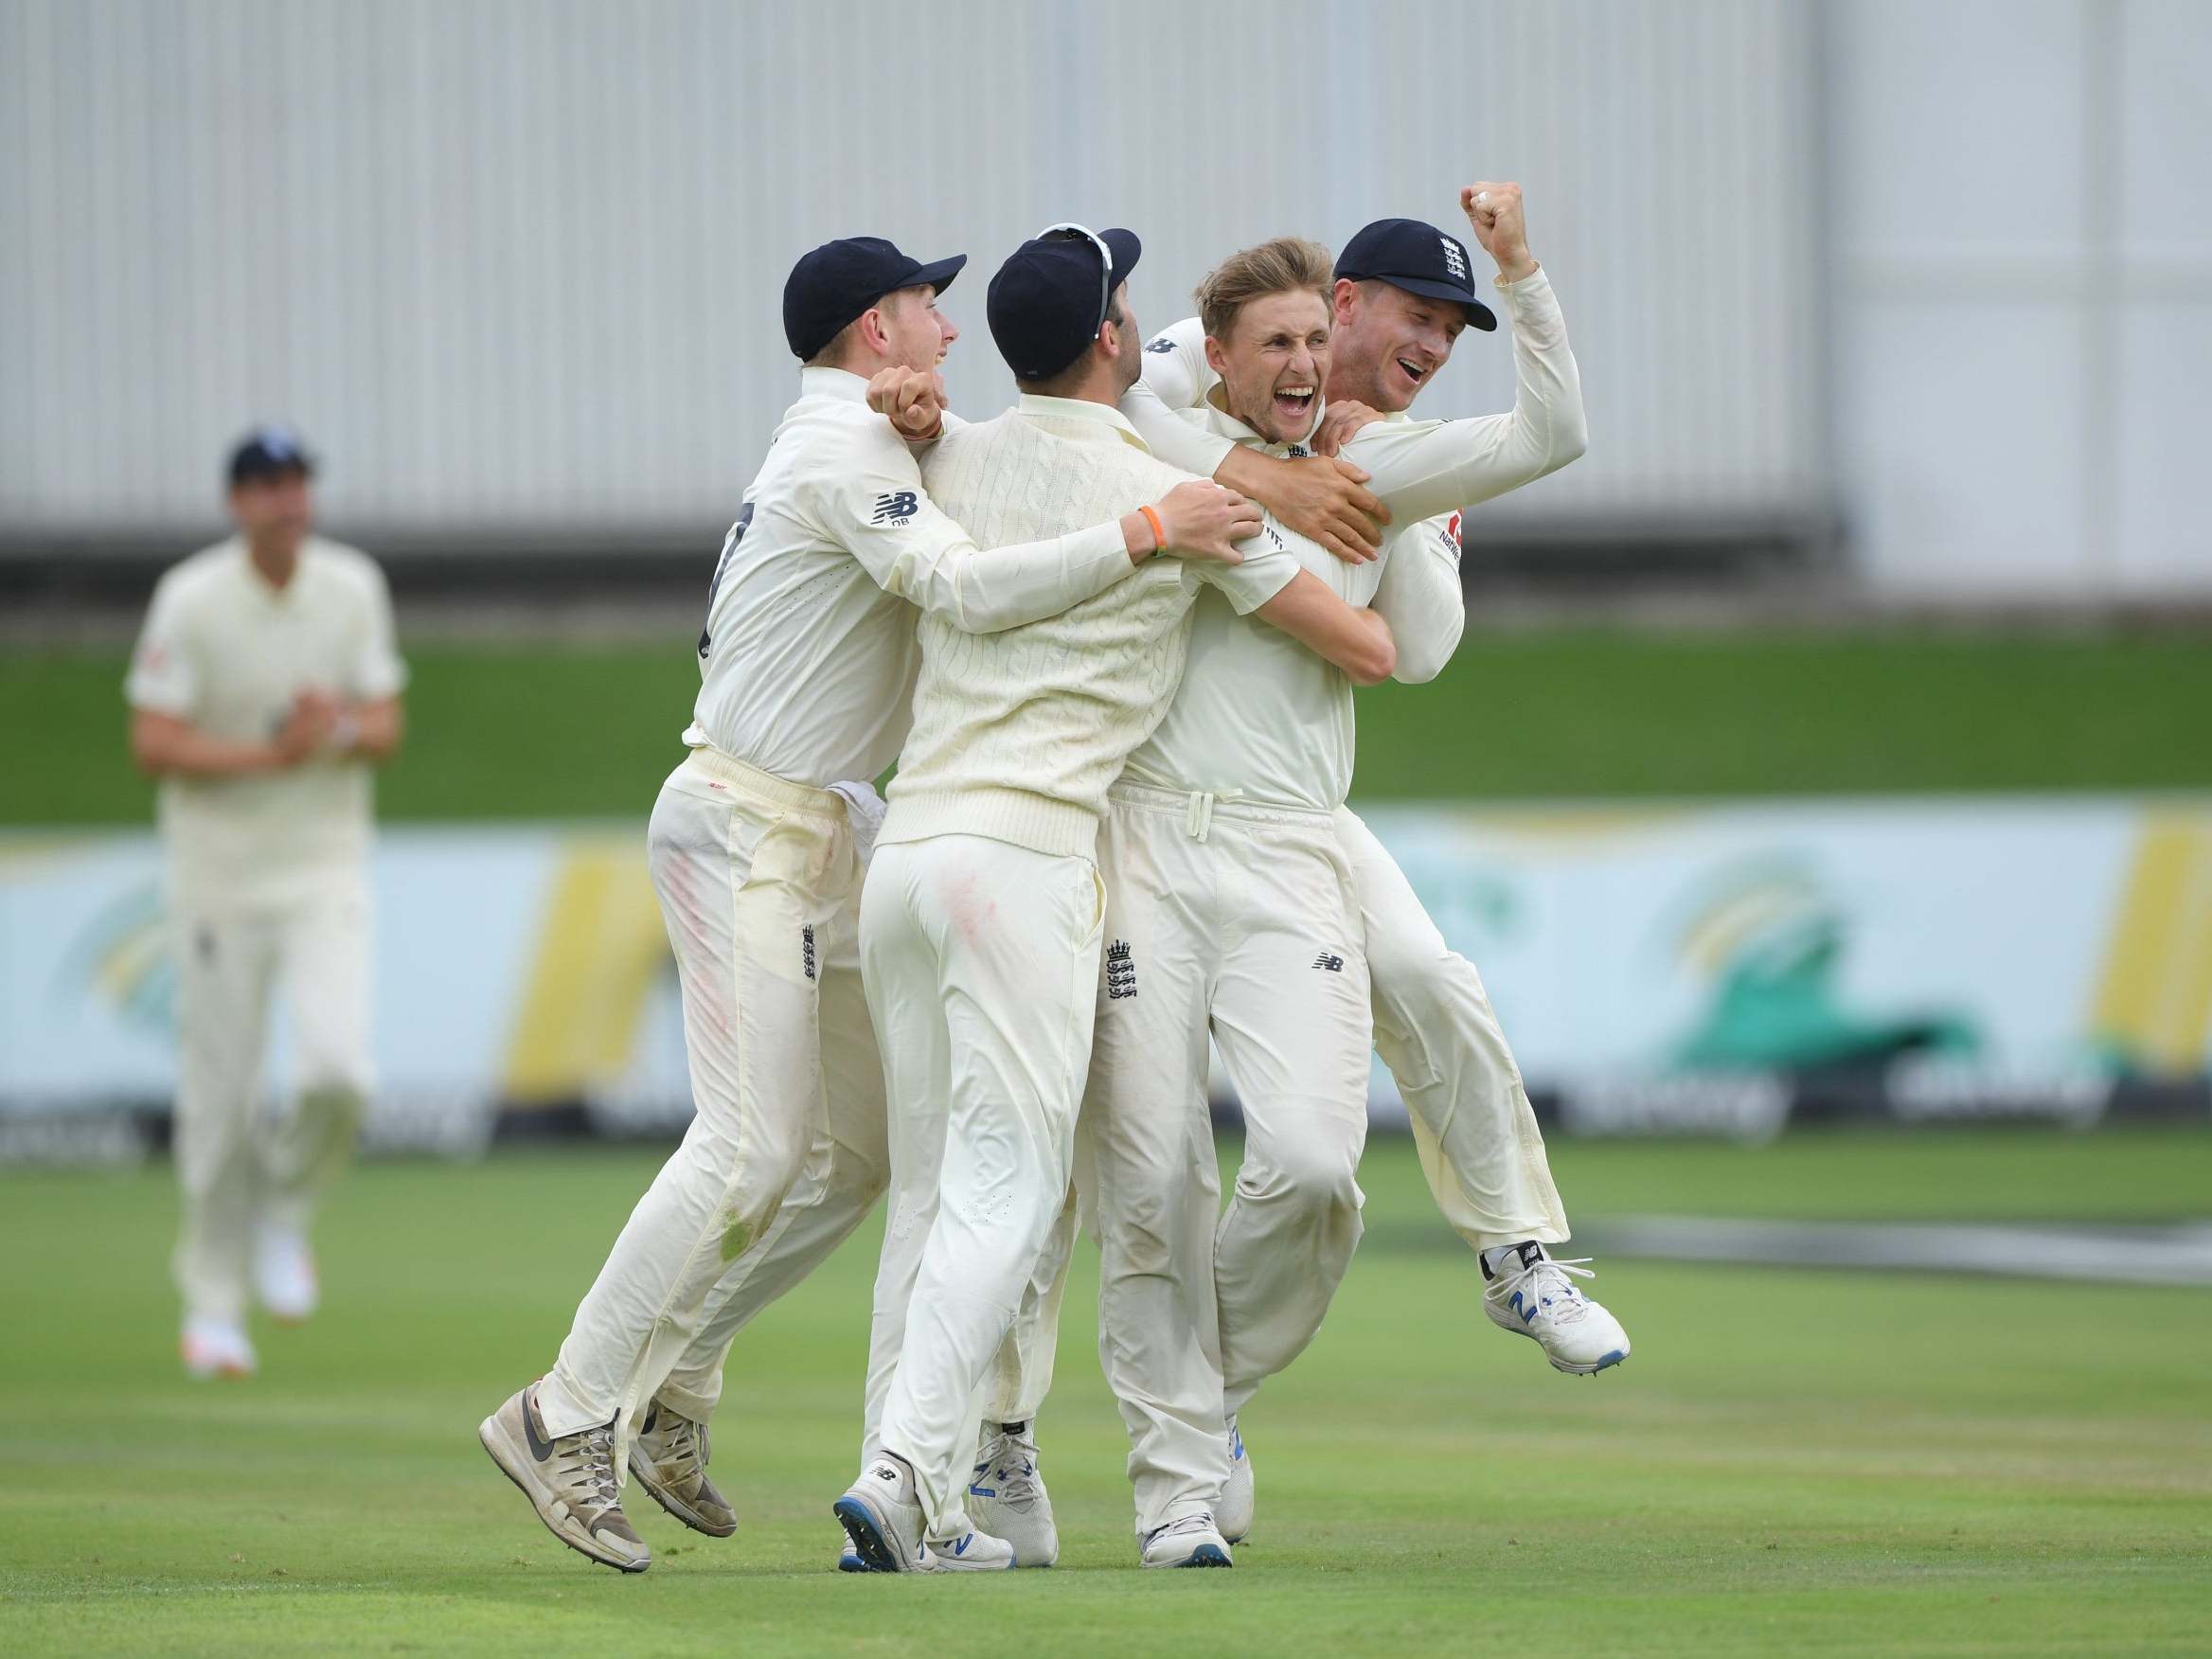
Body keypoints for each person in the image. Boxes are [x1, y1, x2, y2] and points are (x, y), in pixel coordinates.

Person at [477, 234, 1259, 1575]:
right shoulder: (840, 453)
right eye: (924, 310)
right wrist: (1143, 528)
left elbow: (1157, 362)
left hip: (837, 826)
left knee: (857, 1158)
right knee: (748, 1147)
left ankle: (681, 1384)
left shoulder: (886, 432)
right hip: (745, 823)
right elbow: (957, 588)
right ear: (869, 327)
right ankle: (563, 1413)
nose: (946, 333)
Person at [831, 223, 1395, 1574]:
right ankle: (913, 1477)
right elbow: (1361, 645)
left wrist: (907, 408)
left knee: (931, 1196)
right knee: (1006, 1195)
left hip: (904, 856)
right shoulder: (1178, 498)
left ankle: (911, 1493)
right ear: (1107, 339)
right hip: (1023, 862)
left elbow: (923, 453)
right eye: (1128, 306)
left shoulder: (949, 451)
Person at [1124, 186, 1627, 1546]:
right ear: (1341, 306)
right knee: (1142, 1168)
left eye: (1456, 328)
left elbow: (1430, 644)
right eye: (1419, 314)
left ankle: (1515, 1251)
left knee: (1427, 978)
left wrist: (1397, 482)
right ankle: (1004, 1442)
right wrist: (1263, 474)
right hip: (1149, 819)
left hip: (1300, 817)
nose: (1434, 344)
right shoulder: (1205, 365)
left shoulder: (1393, 459)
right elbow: (1119, 402)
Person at [125, 426, 406, 1380]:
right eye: (266, 486)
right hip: (217, 878)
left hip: (324, 865)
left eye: (296, 483)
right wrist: (268, 756)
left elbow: (384, 725)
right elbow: (154, 741)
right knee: (222, 1100)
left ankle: (282, 1215)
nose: (287, 501)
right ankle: (211, 1305)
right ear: (237, 502)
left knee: (339, 1073)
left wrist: (334, 725)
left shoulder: (351, 586)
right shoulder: (192, 598)